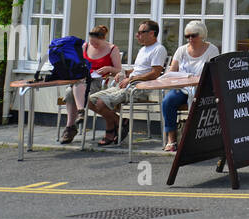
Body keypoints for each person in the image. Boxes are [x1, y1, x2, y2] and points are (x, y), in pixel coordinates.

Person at [85, 20, 167, 146]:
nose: (137, 35)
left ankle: (111, 130)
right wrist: (123, 73)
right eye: (137, 32)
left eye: (141, 32)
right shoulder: (143, 49)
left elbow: (155, 74)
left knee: (102, 102)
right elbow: (136, 70)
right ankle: (120, 121)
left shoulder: (158, 49)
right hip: (128, 84)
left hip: (140, 88)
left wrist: (131, 79)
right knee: (89, 100)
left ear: (152, 33)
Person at [161, 21, 220, 152]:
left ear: (202, 35)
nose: (190, 39)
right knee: (167, 101)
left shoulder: (212, 50)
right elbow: (172, 70)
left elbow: (215, 73)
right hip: (182, 87)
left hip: (203, 88)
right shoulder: (181, 50)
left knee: (199, 103)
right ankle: (172, 139)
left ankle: (197, 138)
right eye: (187, 36)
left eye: (193, 35)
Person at [60, 26, 121, 144]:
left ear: (103, 39)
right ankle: (71, 125)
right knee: (69, 91)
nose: (94, 45)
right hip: (84, 79)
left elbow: (119, 70)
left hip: (101, 82)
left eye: (97, 43)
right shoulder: (85, 46)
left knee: (73, 91)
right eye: (92, 43)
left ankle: (73, 124)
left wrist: (109, 68)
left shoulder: (112, 49)